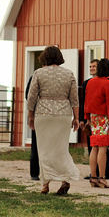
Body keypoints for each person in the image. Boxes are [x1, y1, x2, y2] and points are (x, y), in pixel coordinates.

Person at [26, 45, 79, 195]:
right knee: (61, 149)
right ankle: (65, 180)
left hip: (43, 114)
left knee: (44, 150)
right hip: (63, 114)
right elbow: (74, 98)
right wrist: (76, 118)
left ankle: (45, 185)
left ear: (45, 58)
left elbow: (31, 97)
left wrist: (30, 115)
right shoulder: (68, 74)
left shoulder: (38, 73)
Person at [83, 58, 109, 188]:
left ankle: (93, 177)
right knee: (103, 147)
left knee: (94, 147)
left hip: (93, 117)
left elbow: (87, 102)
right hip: (104, 117)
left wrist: (87, 118)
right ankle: (102, 177)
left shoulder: (90, 82)